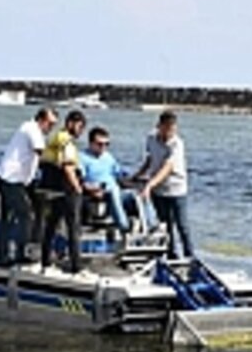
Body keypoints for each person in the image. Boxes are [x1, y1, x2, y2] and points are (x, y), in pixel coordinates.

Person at [0, 107, 56, 267]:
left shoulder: (33, 131)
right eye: (50, 124)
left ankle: (5, 255)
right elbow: (41, 153)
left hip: (15, 180)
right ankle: (19, 252)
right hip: (10, 179)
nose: (51, 128)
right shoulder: (32, 129)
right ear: (41, 120)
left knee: (8, 219)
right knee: (26, 214)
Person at [135, 111, 193, 259]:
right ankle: (170, 255)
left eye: (172, 128)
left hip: (176, 189)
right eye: (167, 128)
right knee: (165, 226)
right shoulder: (151, 138)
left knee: (182, 226)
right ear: (159, 126)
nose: (170, 132)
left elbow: (167, 168)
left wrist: (149, 185)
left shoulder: (177, 143)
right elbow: (149, 159)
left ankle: (190, 257)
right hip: (158, 191)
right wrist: (137, 175)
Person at [80, 126, 158, 234]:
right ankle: (124, 226)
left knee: (139, 193)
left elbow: (119, 174)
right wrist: (92, 189)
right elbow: (80, 181)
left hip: (115, 191)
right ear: (91, 143)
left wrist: (136, 180)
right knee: (113, 191)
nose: (103, 147)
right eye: (100, 144)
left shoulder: (108, 157)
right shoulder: (82, 158)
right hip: (99, 193)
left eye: (106, 144)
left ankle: (152, 225)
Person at [38, 110, 86, 272]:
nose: (81, 131)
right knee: (74, 228)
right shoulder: (66, 142)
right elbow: (68, 168)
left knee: (51, 224)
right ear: (71, 123)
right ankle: (76, 266)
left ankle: (45, 260)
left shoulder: (56, 137)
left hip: (52, 187)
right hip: (66, 188)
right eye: (80, 127)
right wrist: (78, 189)